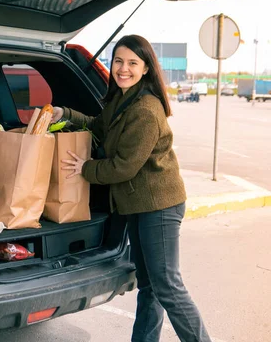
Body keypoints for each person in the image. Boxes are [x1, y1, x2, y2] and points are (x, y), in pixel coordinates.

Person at [51, 35, 211, 342]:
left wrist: (84, 169)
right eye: (119, 61)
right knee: (149, 286)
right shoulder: (123, 99)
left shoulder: (146, 110)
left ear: (147, 68)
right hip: (138, 205)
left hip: (159, 206)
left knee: (167, 286)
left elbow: (124, 166)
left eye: (132, 63)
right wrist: (66, 114)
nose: (123, 69)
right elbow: (99, 126)